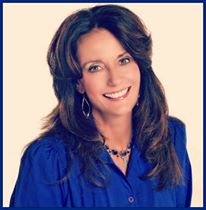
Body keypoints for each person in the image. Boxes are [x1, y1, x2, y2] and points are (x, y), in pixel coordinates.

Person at [9, 4, 192, 207]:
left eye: (123, 60)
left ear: (140, 64)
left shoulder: (171, 138)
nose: (115, 79)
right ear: (78, 82)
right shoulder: (48, 161)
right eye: (95, 67)